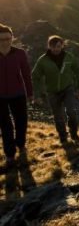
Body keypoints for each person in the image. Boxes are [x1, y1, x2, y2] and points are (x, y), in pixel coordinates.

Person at [32, 35, 79, 144]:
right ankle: (63, 137)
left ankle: (74, 134)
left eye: (59, 46)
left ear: (62, 46)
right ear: (49, 46)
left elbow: (78, 71)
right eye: (53, 46)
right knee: (58, 116)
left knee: (71, 112)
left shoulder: (69, 57)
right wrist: (37, 95)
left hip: (67, 88)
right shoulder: (43, 60)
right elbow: (35, 76)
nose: (56, 49)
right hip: (52, 91)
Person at [0, 23, 33, 168]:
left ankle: (20, 143)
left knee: (21, 122)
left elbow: (26, 74)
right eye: (1, 39)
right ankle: (10, 154)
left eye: (8, 38)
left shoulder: (20, 53)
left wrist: (30, 93)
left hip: (18, 93)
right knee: (5, 126)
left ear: (12, 37)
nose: (5, 41)